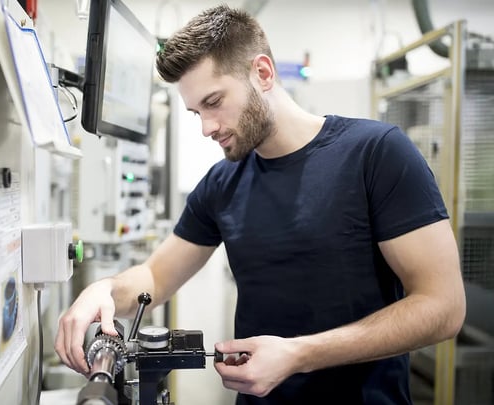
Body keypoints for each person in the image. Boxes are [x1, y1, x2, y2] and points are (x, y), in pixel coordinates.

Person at [56, 5, 466, 404]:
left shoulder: (376, 154)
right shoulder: (223, 183)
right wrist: (105, 289)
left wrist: (299, 354)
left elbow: (442, 306)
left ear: (263, 73)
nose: (206, 127)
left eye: (214, 102)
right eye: (196, 111)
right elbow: (156, 277)